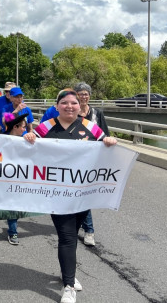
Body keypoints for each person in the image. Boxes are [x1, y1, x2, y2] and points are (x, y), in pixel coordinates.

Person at [24, 89, 117, 303]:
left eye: (73, 103)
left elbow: (106, 142)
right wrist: (28, 137)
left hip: (82, 194)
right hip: (57, 194)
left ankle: (68, 273)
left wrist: (110, 142)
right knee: (66, 237)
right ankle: (68, 285)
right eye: (64, 103)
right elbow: (27, 147)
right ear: (57, 106)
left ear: (79, 106)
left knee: (71, 237)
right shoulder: (46, 126)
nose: (69, 106)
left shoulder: (89, 126)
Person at [74, 82, 109, 247]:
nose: (83, 96)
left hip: (92, 160)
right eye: (80, 94)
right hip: (74, 160)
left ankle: (89, 230)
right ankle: (78, 226)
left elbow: (104, 135)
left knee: (84, 195)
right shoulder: (72, 112)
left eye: (86, 94)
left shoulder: (96, 113)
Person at [2, 113, 30, 245]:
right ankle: (12, 232)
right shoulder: (1, 140)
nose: (25, 129)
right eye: (23, 127)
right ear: (15, 126)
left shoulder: (25, 141)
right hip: (3, 178)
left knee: (14, 205)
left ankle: (12, 230)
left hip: (19, 178)